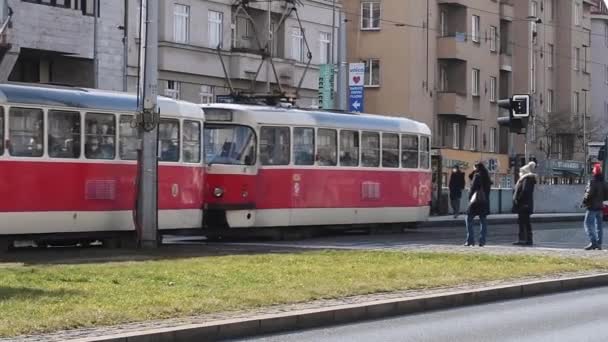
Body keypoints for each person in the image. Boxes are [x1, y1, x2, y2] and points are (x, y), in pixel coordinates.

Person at [464, 162, 492, 247]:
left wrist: (469, 198)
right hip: (484, 202)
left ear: (476, 168)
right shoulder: (487, 177)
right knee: (483, 221)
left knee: (468, 219)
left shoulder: (477, 176)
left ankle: (470, 240)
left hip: (475, 202)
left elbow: (473, 188)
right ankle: (482, 241)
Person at [582, 164, 608, 250]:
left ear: (594, 172)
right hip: (600, 207)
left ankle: (593, 242)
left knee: (588, 224)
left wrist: (584, 202)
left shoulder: (592, 182)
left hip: (592, 207)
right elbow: (606, 196)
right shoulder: (604, 183)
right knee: (599, 226)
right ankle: (599, 244)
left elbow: (588, 194)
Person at [512, 162, 537, 246]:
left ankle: (525, 240)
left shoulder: (526, 180)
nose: (519, 173)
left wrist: (518, 199)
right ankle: (525, 239)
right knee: (524, 222)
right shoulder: (526, 179)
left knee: (524, 222)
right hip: (525, 204)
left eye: (521, 172)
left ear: (524, 172)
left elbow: (524, 191)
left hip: (524, 205)